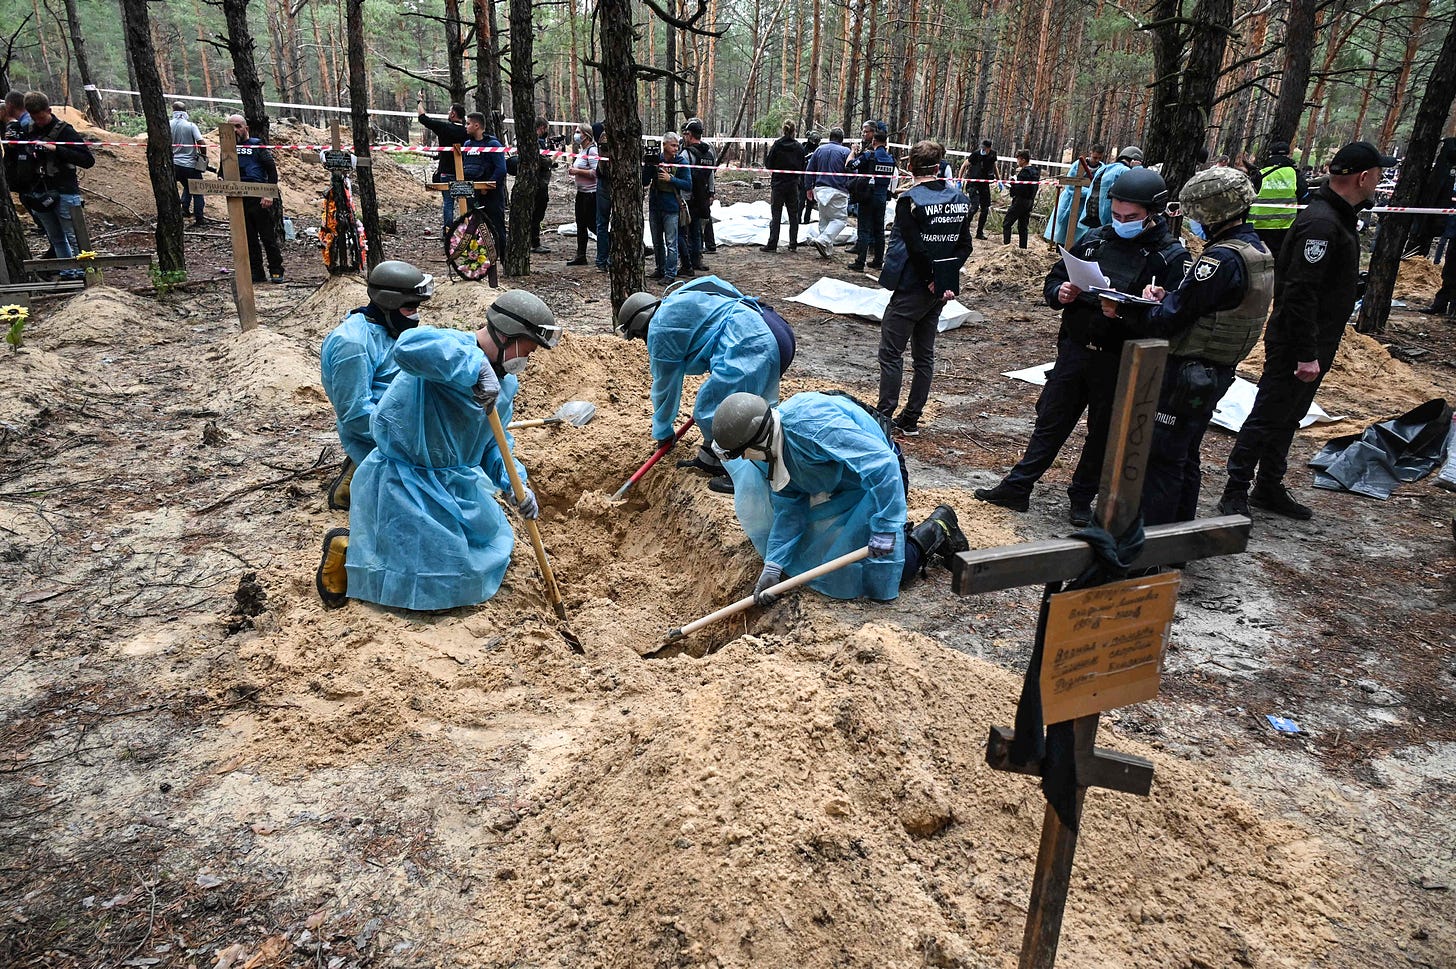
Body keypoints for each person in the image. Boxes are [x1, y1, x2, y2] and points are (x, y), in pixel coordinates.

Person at [315, 290, 564, 611]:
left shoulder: (504, 385)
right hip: (404, 480)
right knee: (431, 572)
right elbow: (407, 348)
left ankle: (373, 548)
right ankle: (346, 550)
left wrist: (514, 483)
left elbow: (494, 444)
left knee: (478, 555)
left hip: (451, 484)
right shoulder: (448, 347)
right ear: (506, 335)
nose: (527, 358)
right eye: (528, 347)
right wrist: (474, 366)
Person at [976, 167, 1188, 525]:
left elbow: (1172, 318)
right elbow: (1058, 275)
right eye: (1117, 215)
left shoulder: (1169, 258)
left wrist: (1133, 310)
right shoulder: (1096, 239)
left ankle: (1081, 498)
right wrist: (1059, 292)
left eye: (1131, 218)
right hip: (1075, 350)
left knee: (1102, 433)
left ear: (1153, 213)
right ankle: (1018, 486)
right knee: (1051, 421)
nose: (1122, 222)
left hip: (1120, 361)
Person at [1217, 141, 1394, 521]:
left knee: (1290, 415)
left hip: (1316, 339)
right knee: (1268, 414)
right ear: (1363, 177)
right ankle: (1235, 489)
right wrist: (1306, 352)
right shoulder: (1322, 223)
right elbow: (1299, 292)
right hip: (1298, 342)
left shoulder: (1337, 218)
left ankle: (1268, 485)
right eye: (1377, 176)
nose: (1378, 184)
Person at [712, 392, 969, 603]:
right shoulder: (772, 452)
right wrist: (774, 565)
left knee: (881, 570)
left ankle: (937, 528)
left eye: (743, 452)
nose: (744, 459)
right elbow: (790, 509)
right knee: (823, 557)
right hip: (847, 485)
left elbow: (882, 466)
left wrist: (886, 529)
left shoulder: (810, 427)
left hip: (880, 479)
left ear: (757, 440)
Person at [1123, 167, 1274, 525]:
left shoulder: (1219, 260)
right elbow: (1207, 304)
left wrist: (1141, 308)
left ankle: (1150, 547)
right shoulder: (1255, 251)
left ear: (1211, 213)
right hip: (1214, 371)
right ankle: (1177, 539)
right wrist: (1172, 295)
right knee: (1185, 454)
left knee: (1161, 458)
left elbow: (1174, 316)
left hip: (1188, 371)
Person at [616, 275, 796, 493]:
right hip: (770, 325)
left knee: (711, 411)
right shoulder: (678, 298)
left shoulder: (659, 328)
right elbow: (718, 284)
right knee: (731, 404)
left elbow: (665, 388)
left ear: (640, 326)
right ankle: (710, 459)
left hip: (752, 342)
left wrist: (663, 432)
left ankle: (746, 474)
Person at [319, 260, 437, 510]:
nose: (415, 315)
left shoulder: (387, 329)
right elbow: (355, 413)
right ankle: (355, 482)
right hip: (376, 430)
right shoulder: (353, 345)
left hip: (398, 419)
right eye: (410, 308)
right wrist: (408, 437)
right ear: (389, 304)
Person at [875, 140, 974, 437]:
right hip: (938, 292)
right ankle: (911, 418)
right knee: (924, 356)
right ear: (939, 165)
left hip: (912, 288)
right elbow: (965, 246)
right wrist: (943, 279)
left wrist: (931, 277)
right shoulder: (960, 198)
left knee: (891, 354)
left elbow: (916, 249)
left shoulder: (909, 201)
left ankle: (884, 418)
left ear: (911, 167)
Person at [5, 92, 94, 274]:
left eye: (42, 117)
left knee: (74, 236)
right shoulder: (27, 130)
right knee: (56, 238)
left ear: (49, 111)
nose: (39, 122)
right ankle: (68, 272)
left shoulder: (64, 130)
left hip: (64, 191)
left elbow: (87, 160)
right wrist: (14, 146)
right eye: (34, 118)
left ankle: (86, 272)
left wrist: (56, 149)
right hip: (38, 191)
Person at [642, 131, 692, 283]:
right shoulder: (657, 159)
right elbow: (644, 181)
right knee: (657, 241)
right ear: (664, 145)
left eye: (677, 145)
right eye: (673, 145)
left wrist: (672, 179)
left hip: (671, 207)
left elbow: (688, 184)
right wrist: (650, 166)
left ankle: (670, 274)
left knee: (671, 242)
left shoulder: (681, 162)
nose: (676, 148)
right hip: (655, 206)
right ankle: (660, 269)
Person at [847, 121, 896, 272]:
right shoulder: (890, 159)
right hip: (882, 197)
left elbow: (850, 166)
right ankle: (877, 261)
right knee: (879, 230)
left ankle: (860, 262)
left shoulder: (869, 155)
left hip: (867, 197)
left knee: (864, 229)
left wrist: (853, 153)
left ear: (874, 141)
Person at [1249, 139, 1310, 256]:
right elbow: (1305, 201)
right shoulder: (1296, 176)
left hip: (1257, 227)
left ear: (1270, 154)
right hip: (1285, 228)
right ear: (1288, 155)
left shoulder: (1261, 174)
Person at [418, 99, 469, 236]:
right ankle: (467, 230)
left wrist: (419, 102)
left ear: (453, 114)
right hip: (463, 173)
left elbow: (423, 118)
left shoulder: (444, 128)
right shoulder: (467, 132)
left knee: (448, 202)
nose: (447, 113)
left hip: (446, 171)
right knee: (465, 202)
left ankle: (448, 231)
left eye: (449, 110)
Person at [461, 112, 507, 256]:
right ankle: (478, 256)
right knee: (473, 226)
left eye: (468, 123)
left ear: (477, 125)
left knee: (496, 226)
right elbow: (463, 167)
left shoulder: (493, 144)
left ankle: (502, 255)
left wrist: (487, 187)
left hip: (491, 195)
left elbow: (501, 169)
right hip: (472, 194)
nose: (465, 126)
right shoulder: (467, 145)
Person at [803, 127, 852, 258]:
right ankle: (823, 241)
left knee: (824, 219)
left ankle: (826, 250)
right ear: (842, 140)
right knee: (840, 220)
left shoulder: (819, 150)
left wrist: (808, 187)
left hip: (820, 189)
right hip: (838, 190)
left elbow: (809, 170)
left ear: (830, 137)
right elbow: (852, 170)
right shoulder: (846, 151)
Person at [1045, 144, 1103, 246]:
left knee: (1079, 231)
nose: (1097, 160)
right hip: (1070, 202)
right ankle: (1060, 249)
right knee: (1064, 228)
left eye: (1099, 158)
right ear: (1091, 153)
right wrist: (1088, 191)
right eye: (1095, 157)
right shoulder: (1079, 165)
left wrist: (1090, 193)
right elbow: (1071, 185)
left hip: (1085, 205)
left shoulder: (1102, 168)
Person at [762, 120, 804, 252]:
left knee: (776, 215)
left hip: (778, 184)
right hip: (792, 185)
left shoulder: (777, 145)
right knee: (793, 215)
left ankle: (772, 244)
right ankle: (793, 243)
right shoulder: (798, 147)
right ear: (794, 131)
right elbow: (802, 166)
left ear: (783, 129)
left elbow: (769, 164)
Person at [680, 118, 716, 275]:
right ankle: (697, 260)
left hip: (689, 198)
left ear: (690, 135)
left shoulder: (686, 154)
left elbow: (682, 175)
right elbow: (711, 176)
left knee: (686, 231)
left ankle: (688, 262)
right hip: (703, 198)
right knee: (697, 230)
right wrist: (711, 193)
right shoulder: (708, 153)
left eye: (686, 134)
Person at [1081, 145, 1141, 230]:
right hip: (1106, 218)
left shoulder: (1105, 167)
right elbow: (1138, 185)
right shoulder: (1125, 171)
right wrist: (1137, 169)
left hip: (1092, 214)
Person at [169, 102, 208, 227]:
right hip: (190, 164)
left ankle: (184, 209)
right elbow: (201, 142)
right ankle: (199, 218)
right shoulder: (190, 125)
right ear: (185, 111)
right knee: (197, 191)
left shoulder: (167, 124)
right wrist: (203, 157)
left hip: (174, 164)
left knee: (187, 186)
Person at [566, 122, 598, 266]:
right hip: (581, 193)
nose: (576, 134)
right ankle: (581, 255)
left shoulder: (592, 151)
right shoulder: (582, 151)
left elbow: (595, 172)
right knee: (580, 224)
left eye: (579, 132)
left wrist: (577, 171)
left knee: (593, 225)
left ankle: (610, 246)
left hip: (591, 194)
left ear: (586, 135)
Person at [1002, 149, 1040, 248]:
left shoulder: (1024, 173)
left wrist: (1013, 184)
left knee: (1007, 223)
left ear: (1023, 160)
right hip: (1030, 201)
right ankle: (1023, 248)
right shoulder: (1035, 172)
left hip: (1020, 201)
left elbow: (1020, 189)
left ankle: (1007, 247)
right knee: (1023, 226)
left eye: (1018, 159)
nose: (1017, 162)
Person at [960, 139, 997, 240]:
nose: (983, 149)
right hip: (973, 184)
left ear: (989, 148)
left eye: (985, 148)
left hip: (984, 184)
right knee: (974, 207)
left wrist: (998, 179)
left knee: (985, 209)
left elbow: (994, 166)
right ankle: (964, 231)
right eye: (982, 147)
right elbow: (964, 165)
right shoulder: (975, 154)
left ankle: (979, 232)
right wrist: (960, 179)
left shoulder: (993, 155)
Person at [530, 118, 556, 254]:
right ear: (541, 128)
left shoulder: (533, 141)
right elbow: (544, 162)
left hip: (538, 182)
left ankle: (534, 241)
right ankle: (534, 242)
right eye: (546, 128)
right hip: (539, 184)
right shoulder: (535, 142)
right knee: (537, 213)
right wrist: (555, 156)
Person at [592, 121, 611, 270]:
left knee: (603, 223)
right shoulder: (603, 133)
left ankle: (605, 259)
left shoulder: (606, 134)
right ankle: (603, 259)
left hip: (609, 181)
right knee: (602, 224)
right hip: (605, 180)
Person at [799, 131, 821, 226]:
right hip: (803, 178)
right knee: (801, 202)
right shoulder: (803, 148)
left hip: (814, 179)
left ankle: (806, 221)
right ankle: (798, 220)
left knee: (810, 203)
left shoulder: (819, 150)